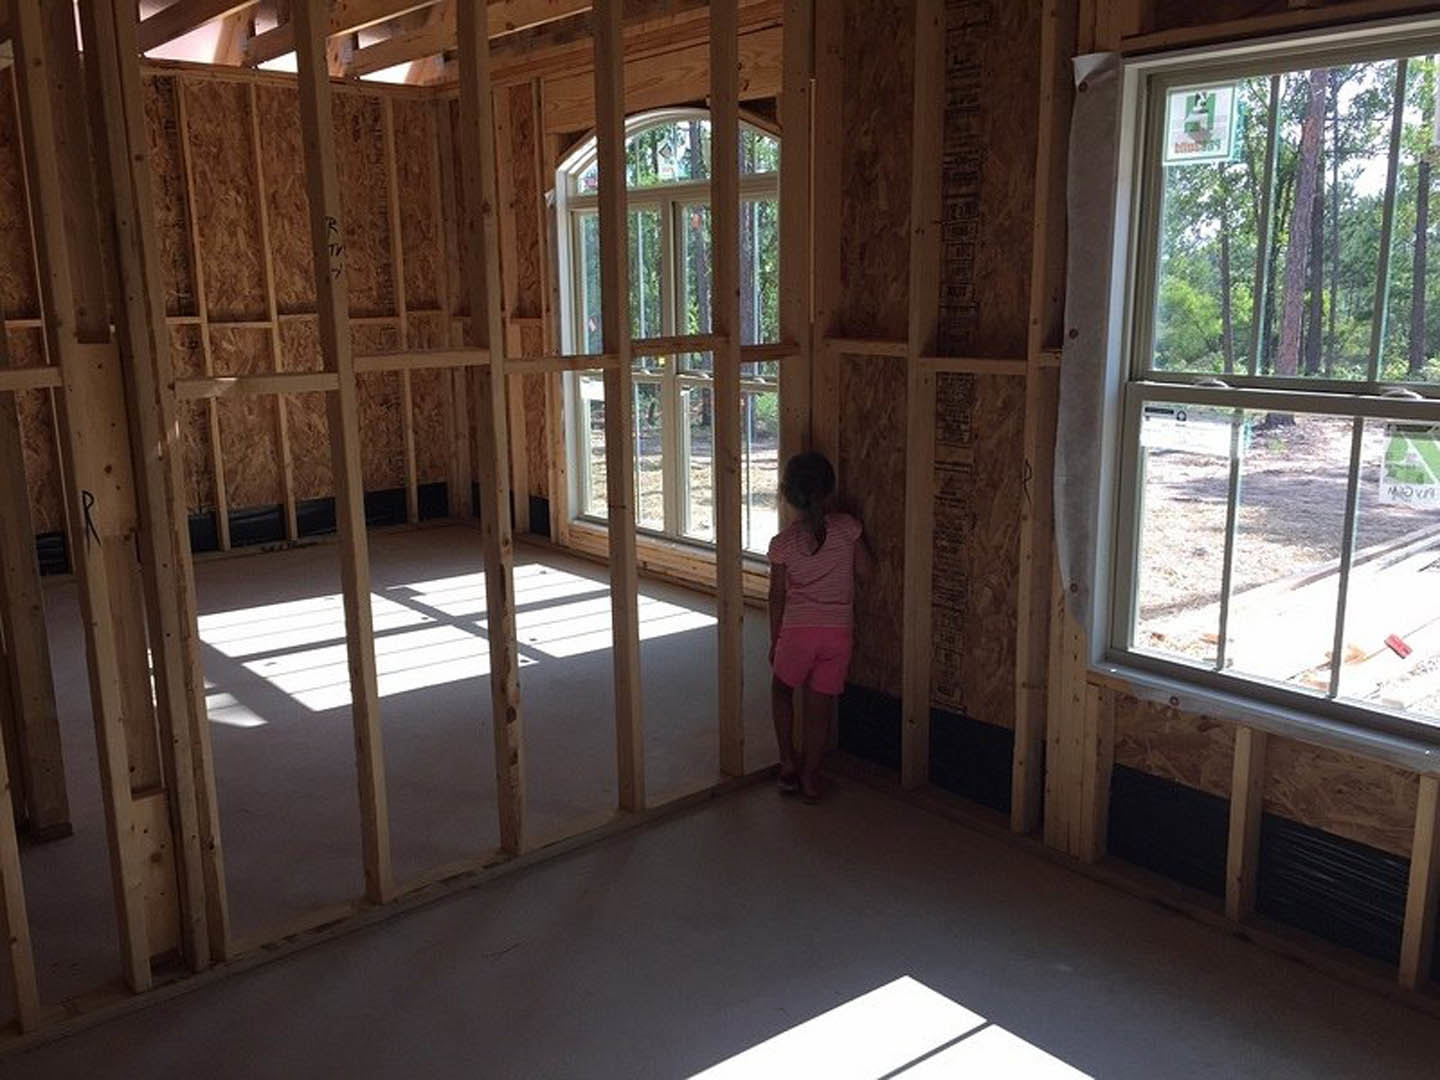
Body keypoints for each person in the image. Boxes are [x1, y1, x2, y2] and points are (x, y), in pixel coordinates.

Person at [767, 451, 871, 803]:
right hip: (837, 634)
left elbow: (776, 598)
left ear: (786, 494)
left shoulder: (782, 546)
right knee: (820, 706)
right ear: (829, 491)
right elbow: (866, 571)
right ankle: (811, 777)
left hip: (797, 634)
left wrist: (774, 640)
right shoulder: (847, 528)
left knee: (782, 691)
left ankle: (787, 765)